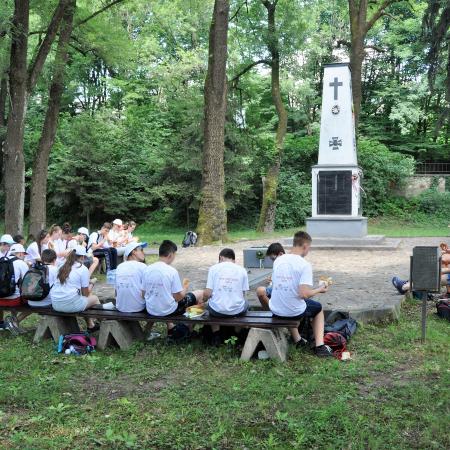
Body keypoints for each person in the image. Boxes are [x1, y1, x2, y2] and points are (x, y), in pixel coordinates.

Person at [268, 231, 333, 357]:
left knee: (290, 300)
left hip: (276, 310)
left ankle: (298, 340)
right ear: (304, 246)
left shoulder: (278, 260)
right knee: (318, 308)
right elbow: (304, 294)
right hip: (292, 313)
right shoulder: (304, 265)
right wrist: (320, 289)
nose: (308, 251)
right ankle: (320, 346)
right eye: (308, 248)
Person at [143, 240, 204, 336]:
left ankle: (169, 329)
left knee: (165, 298)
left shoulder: (147, 269)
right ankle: (189, 329)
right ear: (170, 255)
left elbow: (143, 294)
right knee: (199, 293)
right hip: (169, 311)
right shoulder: (171, 271)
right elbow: (179, 298)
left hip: (151, 309)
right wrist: (185, 287)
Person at [51, 245, 100, 332]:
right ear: (83, 257)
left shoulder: (60, 266)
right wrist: (92, 283)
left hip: (55, 303)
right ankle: (104, 322)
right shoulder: (82, 268)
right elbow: (86, 293)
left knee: (81, 299)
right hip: (69, 304)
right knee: (94, 298)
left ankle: (91, 325)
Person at [0, 244, 31, 333]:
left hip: (0, 298)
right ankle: (14, 321)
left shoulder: (2, 261)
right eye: (24, 254)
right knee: (33, 303)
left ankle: (1, 323)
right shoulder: (21, 263)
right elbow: (27, 282)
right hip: (14, 300)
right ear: (20, 253)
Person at [115, 241, 148, 313]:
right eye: (141, 250)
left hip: (120, 307)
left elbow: (116, 292)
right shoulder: (142, 267)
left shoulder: (119, 267)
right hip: (138, 307)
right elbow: (147, 291)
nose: (143, 253)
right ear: (133, 252)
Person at [256, 243, 286, 310]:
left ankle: (270, 310)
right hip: (277, 288)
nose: (273, 261)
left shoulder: (283, 263)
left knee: (260, 291)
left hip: (282, 290)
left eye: (273, 258)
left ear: (281, 254)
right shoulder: (279, 262)